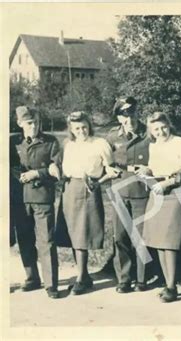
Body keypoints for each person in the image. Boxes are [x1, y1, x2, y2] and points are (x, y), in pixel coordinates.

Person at [60, 111, 114, 295]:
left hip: (88, 189)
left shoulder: (99, 144)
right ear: (71, 129)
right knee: (74, 233)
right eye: (77, 128)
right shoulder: (69, 145)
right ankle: (84, 276)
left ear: (89, 126)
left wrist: (97, 182)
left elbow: (112, 170)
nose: (81, 131)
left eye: (84, 126)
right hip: (69, 189)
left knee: (82, 233)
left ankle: (82, 278)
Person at [10, 106, 61, 299]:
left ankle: (51, 284)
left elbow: (57, 167)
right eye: (29, 123)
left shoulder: (50, 142)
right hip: (20, 199)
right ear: (20, 123)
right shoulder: (13, 142)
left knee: (46, 240)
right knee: (25, 239)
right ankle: (32, 277)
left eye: (36, 122)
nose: (34, 126)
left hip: (41, 196)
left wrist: (37, 173)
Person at [142, 111, 181, 302]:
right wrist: (146, 170)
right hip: (157, 193)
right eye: (156, 129)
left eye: (163, 127)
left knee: (169, 241)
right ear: (151, 131)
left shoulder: (179, 142)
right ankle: (167, 283)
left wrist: (168, 183)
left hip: (175, 192)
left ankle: (172, 287)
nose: (161, 132)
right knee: (158, 241)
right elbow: (154, 167)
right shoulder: (153, 146)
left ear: (169, 125)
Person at [106, 97, 153, 293]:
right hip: (120, 191)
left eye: (132, 113)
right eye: (124, 115)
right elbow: (104, 161)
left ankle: (142, 278)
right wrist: (107, 169)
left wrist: (151, 169)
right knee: (121, 237)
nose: (129, 118)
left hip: (141, 192)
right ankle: (124, 278)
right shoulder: (111, 137)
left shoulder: (149, 133)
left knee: (141, 237)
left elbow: (163, 155)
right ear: (119, 118)